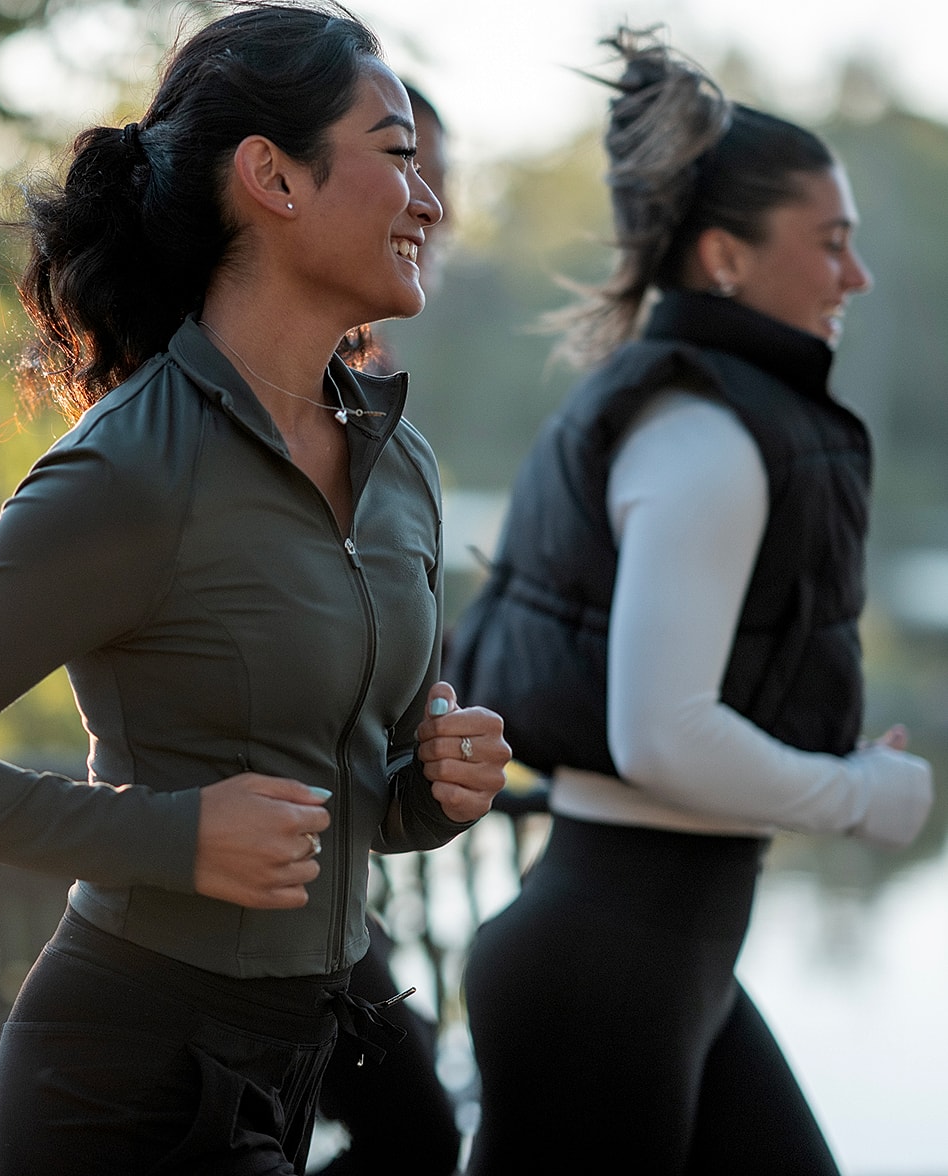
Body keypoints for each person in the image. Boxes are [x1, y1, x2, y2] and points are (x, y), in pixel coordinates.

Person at [0, 4, 510, 1174]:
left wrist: (431, 791)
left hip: (303, 1061)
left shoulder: (404, 469)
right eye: (397, 157)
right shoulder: (133, 466)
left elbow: (349, 805)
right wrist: (170, 836)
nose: (429, 201)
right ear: (272, 179)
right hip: (122, 1087)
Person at [445, 27, 934, 1175]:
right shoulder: (705, 434)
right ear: (721, 258)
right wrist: (856, 794)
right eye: (830, 243)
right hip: (604, 974)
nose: (854, 276)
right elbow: (659, 736)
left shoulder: (711, 413)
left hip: (661, 962)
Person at [311, 81, 463, 1176]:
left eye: (433, 171)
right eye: (407, 166)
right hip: (237, 924)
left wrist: (438, 769)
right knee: (419, 1129)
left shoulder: (388, 436)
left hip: (329, 913)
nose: (431, 204)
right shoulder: (225, 420)